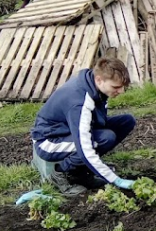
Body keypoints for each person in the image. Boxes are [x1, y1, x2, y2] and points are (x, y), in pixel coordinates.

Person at [30, 57, 137, 196]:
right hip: (49, 140)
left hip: (69, 130)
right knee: (104, 139)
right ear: (99, 80)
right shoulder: (79, 103)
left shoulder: (92, 83)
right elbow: (84, 147)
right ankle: (60, 174)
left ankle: (79, 171)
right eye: (116, 87)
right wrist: (115, 179)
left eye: (123, 87)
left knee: (126, 121)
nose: (121, 91)